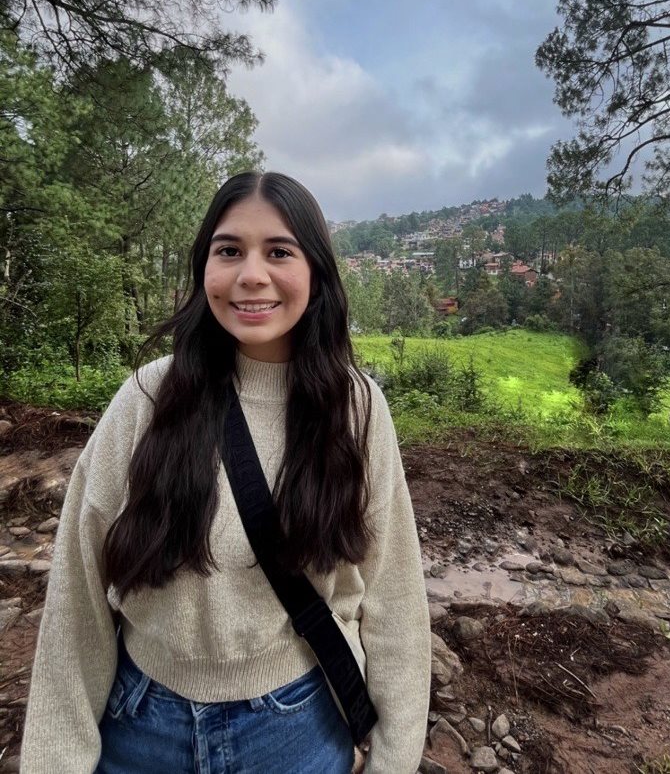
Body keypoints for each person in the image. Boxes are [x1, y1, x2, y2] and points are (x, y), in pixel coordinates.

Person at [21, 172, 431, 773]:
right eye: (229, 250)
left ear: (315, 270)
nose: (252, 275)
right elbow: (77, 597)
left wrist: (394, 757)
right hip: (142, 727)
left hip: (295, 730)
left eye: (280, 252)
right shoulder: (149, 397)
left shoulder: (354, 408)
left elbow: (393, 594)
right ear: (205, 268)